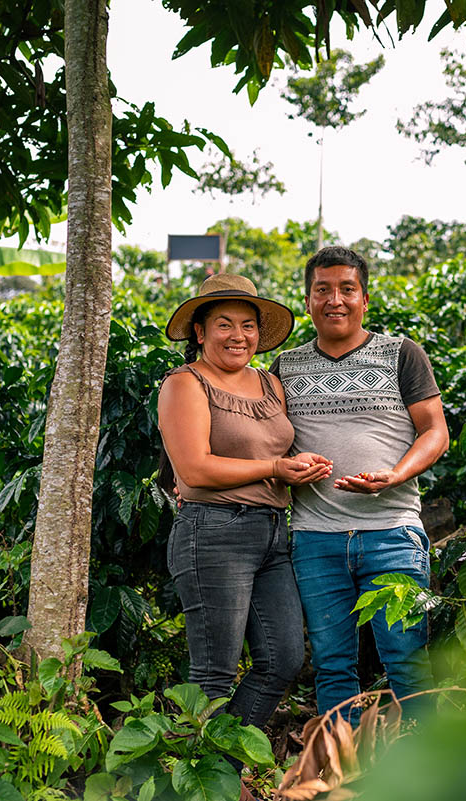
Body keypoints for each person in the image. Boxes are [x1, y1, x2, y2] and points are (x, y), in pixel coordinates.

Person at [270, 246, 449, 723]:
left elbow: (435, 431)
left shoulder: (401, 354)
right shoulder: (284, 367)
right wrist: (287, 463)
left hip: (392, 533)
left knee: (407, 664)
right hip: (314, 540)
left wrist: (396, 474)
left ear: (364, 299)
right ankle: (339, 777)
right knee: (331, 667)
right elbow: (267, 441)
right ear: (307, 301)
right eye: (322, 290)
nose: (335, 299)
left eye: (347, 289)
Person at [158, 273, 333, 739]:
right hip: (214, 532)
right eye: (224, 324)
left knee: (282, 661)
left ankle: (223, 767)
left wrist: (299, 465)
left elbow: (268, 450)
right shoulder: (185, 383)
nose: (239, 336)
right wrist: (276, 467)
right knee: (214, 673)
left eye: (248, 325)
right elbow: (193, 470)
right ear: (200, 331)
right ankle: (195, 781)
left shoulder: (270, 384)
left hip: (274, 532)